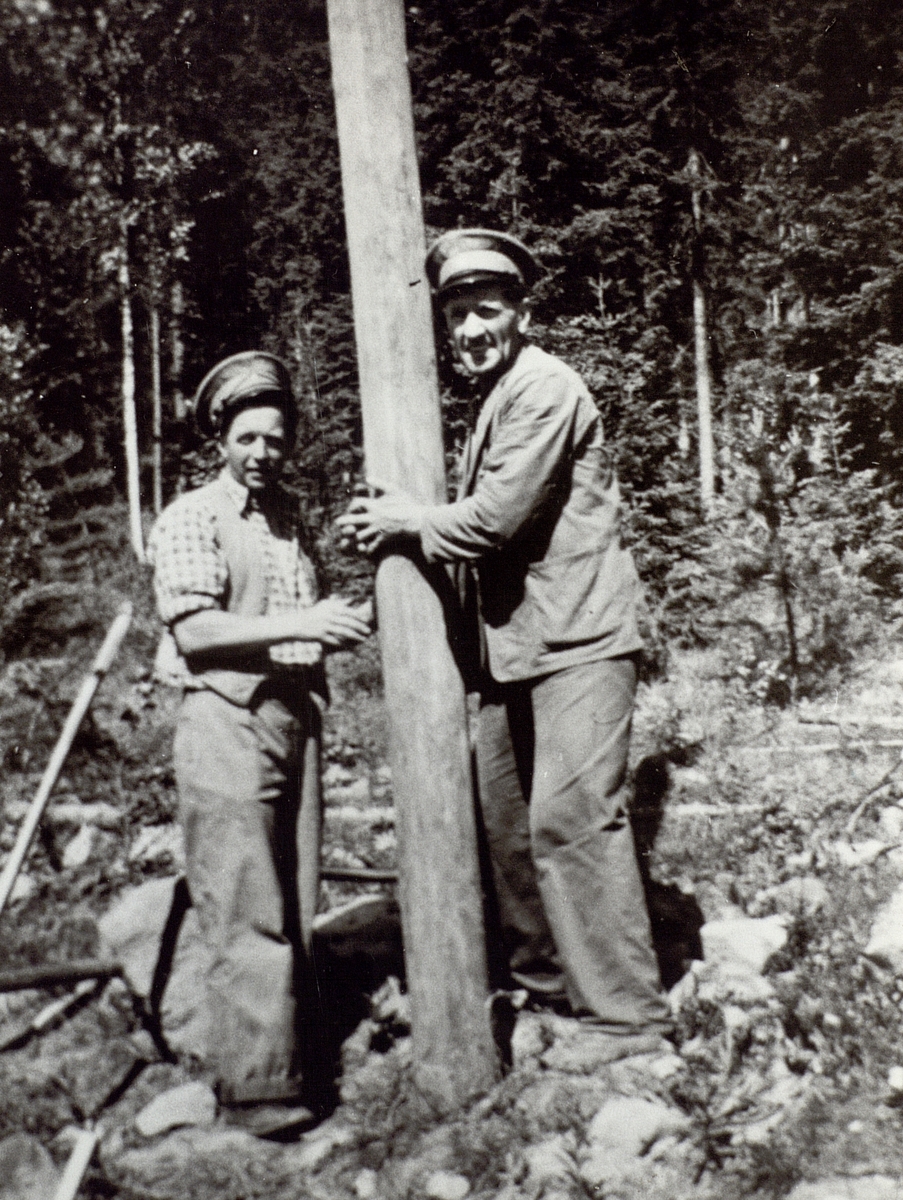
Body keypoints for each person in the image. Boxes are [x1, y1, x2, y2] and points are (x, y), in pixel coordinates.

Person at [338, 230, 671, 1055]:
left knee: (571, 819)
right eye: (457, 314)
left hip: (580, 643)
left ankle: (627, 1018)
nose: (470, 329)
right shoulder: (495, 400)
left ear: (522, 312)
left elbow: (492, 521)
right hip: (514, 652)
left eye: (486, 310)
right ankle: (553, 989)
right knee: (505, 825)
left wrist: (410, 522)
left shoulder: (545, 388)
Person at [148, 351, 370, 1136]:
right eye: (247, 438)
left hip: (292, 721)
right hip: (223, 720)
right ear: (221, 439)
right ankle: (254, 1089)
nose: (262, 454)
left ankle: (299, 1058)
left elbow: (296, 623)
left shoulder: (289, 523)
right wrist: (304, 624)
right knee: (243, 902)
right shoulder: (190, 517)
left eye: (274, 440)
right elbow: (201, 631)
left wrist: (337, 622)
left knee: (294, 893)